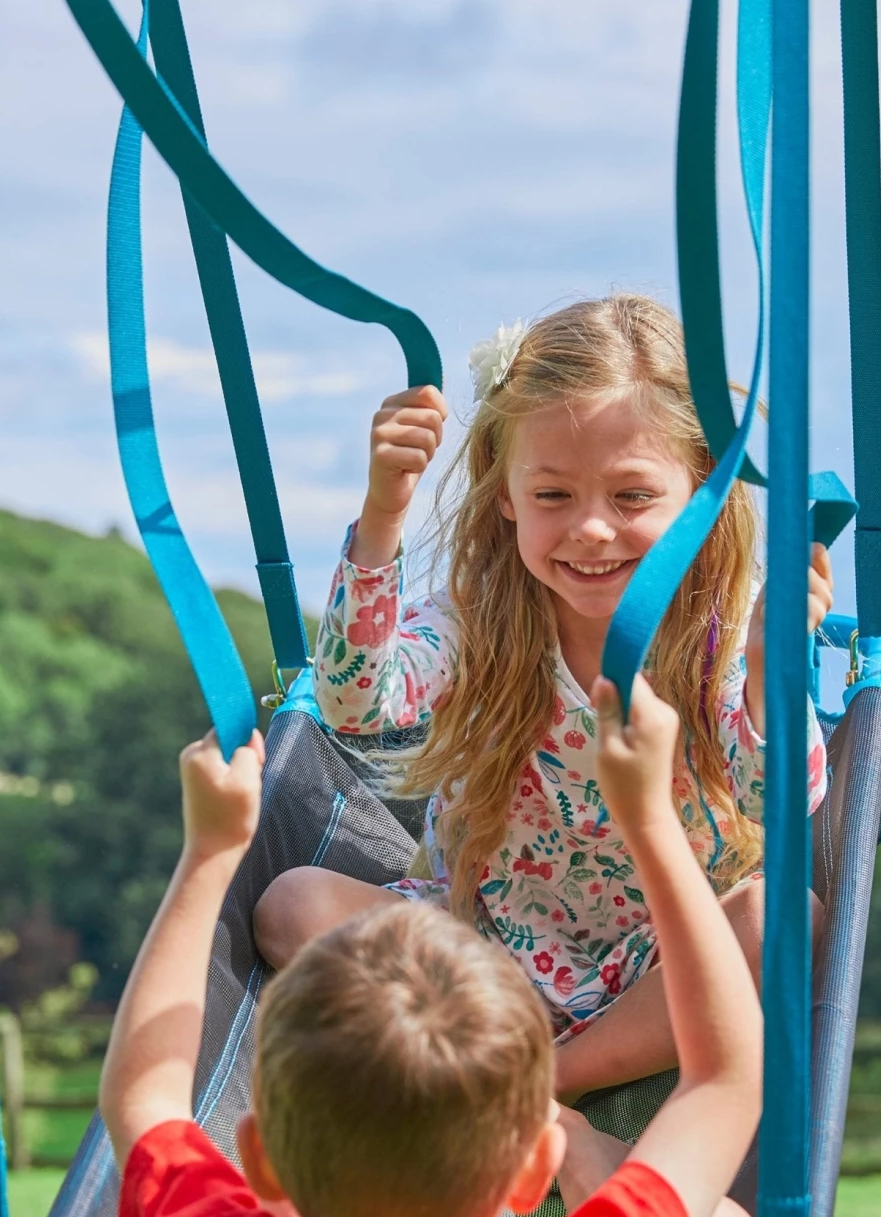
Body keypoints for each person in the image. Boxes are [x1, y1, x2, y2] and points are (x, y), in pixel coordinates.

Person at [101, 673, 762, 1217]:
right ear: (530, 1171)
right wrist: (651, 822)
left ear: (264, 1162)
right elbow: (726, 1080)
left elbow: (142, 1098)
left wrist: (207, 857)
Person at [253, 296, 830, 1151]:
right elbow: (354, 703)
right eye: (553, 493)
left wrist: (764, 669)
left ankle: (530, 1090)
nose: (591, 528)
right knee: (290, 903)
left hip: (657, 962)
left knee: (789, 919)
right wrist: (383, 516)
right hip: (482, 951)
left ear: (704, 487)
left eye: (633, 494)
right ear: (509, 496)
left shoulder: (727, 626)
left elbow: (784, 800)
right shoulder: (482, 614)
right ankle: (533, 1097)